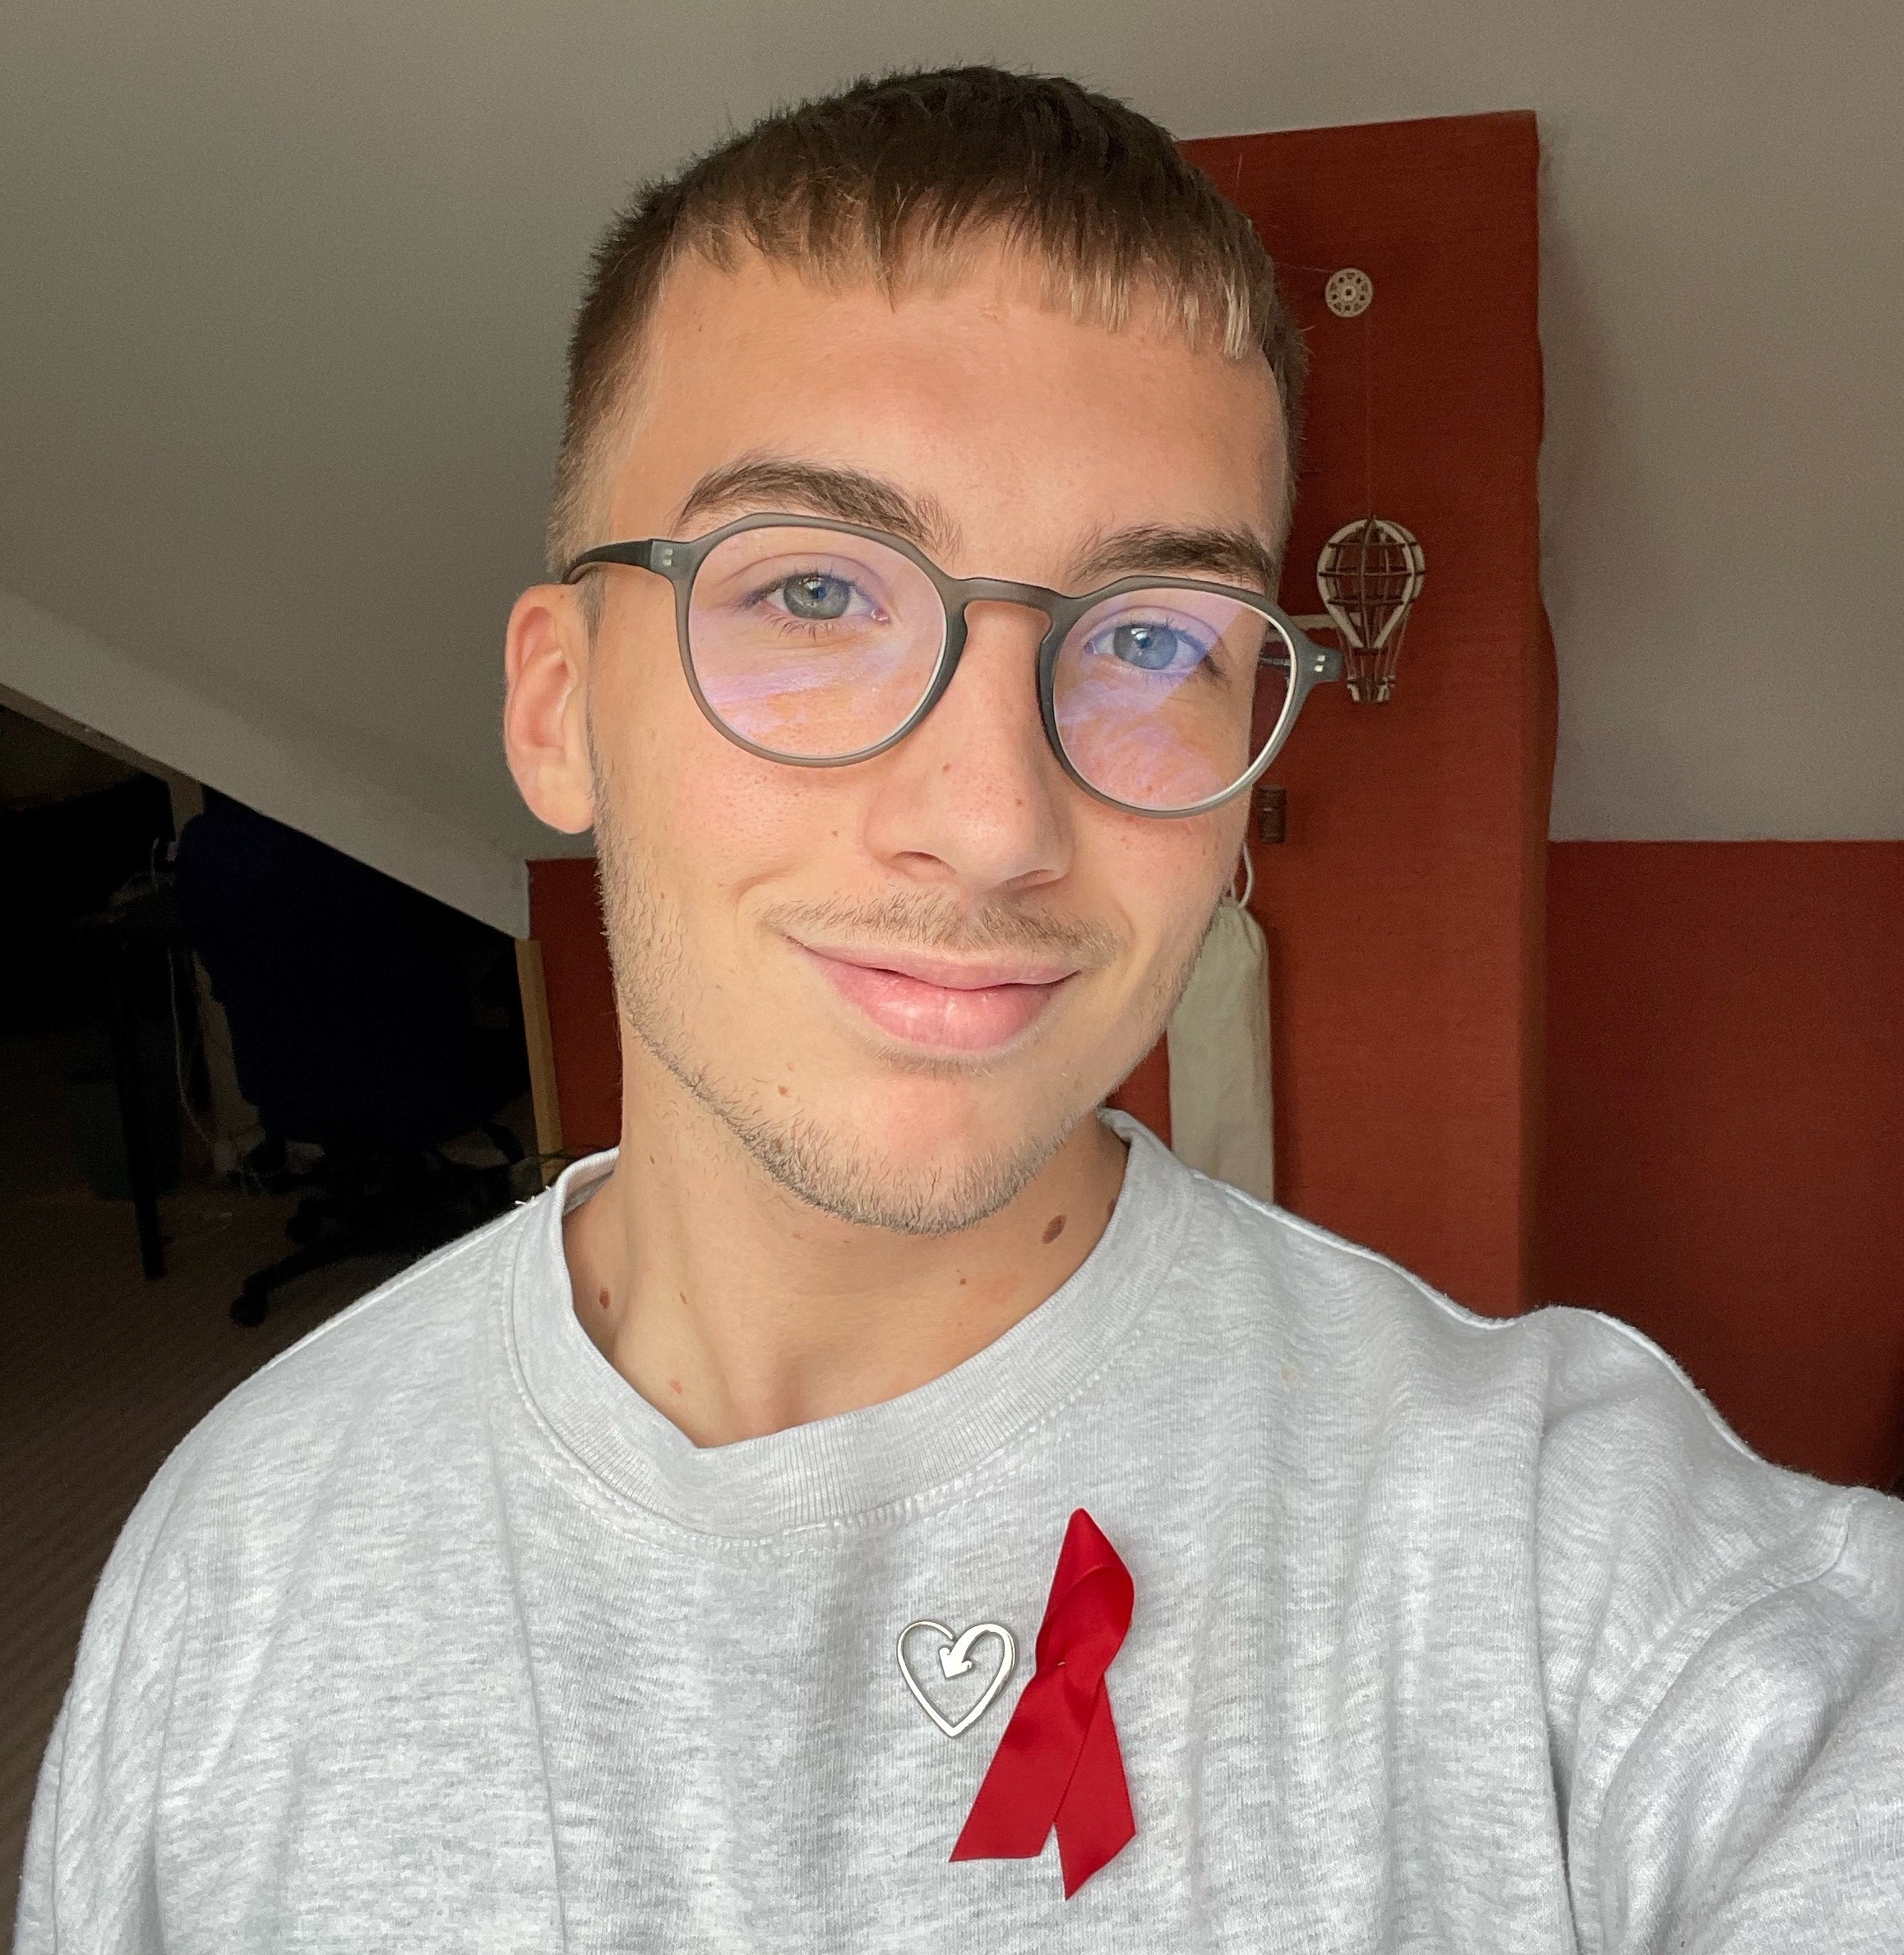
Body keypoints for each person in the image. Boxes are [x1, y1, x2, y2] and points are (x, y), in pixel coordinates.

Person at [20, 67, 1902, 1953]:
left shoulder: (1549, 1553)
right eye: (819, 590)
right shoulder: (240, 1553)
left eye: (1156, 632)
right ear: (560, 707)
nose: (996, 821)